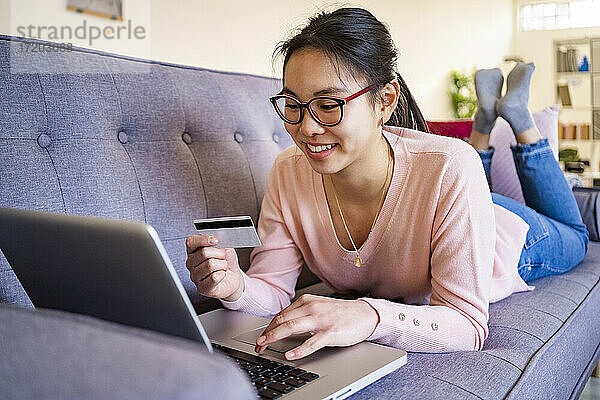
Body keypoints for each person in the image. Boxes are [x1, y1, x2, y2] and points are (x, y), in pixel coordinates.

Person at [185, 7, 589, 359]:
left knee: (577, 236)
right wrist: (235, 285)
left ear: (384, 102)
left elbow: (467, 325)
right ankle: (483, 124)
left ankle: (522, 124)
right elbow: (273, 290)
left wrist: (369, 313)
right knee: (459, 172)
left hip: (507, 242)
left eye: (329, 105)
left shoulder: (449, 167)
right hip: (455, 200)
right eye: (293, 105)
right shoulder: (288, 172)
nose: (306, 128)